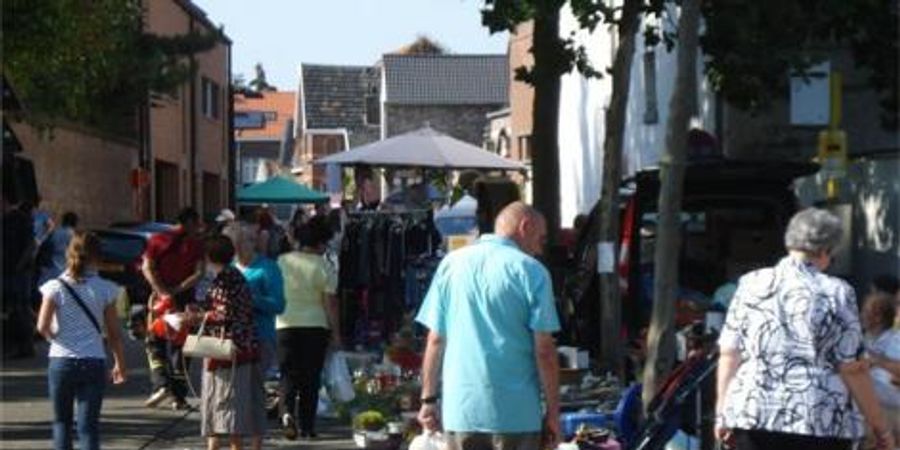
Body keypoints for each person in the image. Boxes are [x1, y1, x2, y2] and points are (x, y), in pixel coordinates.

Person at [715, 208, 895, 450]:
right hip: (820, 418)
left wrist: (722, 413)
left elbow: (730, 353)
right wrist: (879, 426)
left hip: (753, 413)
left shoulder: (750, 284)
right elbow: (851, 367)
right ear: (825, 250)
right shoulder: (837, 292)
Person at [416, 201, 561, 450]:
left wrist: (428, 399)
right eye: (541, 239)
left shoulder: (451, 265)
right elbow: (544, 351)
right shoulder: (533, 272)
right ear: (525, 227)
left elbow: (436, 339)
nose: (539, 249)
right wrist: (553, 414)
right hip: (517, 414)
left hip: (461, 411)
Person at [36, 231, 127, 450]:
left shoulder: (54, 287)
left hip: (61, 361)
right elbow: (114, 333)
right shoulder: (105, 289)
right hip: (93, 361)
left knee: (61, 423)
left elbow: (41, 326)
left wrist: (54, 338)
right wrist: (120, 364)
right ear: (97, 257)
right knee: (88, 427)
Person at [186, 235, 266, 450]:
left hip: (227, 352)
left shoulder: (224, 278)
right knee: (231, 407)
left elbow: (223, 314)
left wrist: (198, 317)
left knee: (227, 408)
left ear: (209, 257)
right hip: (243, 347)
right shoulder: (233, 275)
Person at [276, 215, 341, 440]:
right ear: (321, 243)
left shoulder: (282, 261)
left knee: (287, 374)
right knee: (310, 378)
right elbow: (330, 304)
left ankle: (286, 414)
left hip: (284, 324)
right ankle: (307, 426)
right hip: (315, 326)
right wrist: (336, 334)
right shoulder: (324, 266)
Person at [142, 207, 205, 409]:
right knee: (182, 347)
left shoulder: (157, 239)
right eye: (196, 223)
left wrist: (161, 291)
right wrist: (178, 289)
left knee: (155, 341)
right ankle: (178, 396)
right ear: (187, 221)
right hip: (184, 300)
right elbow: (200, 273)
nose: (198, 227)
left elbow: (147, 267)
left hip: (160, 298)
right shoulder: (195, 244)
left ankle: (161, 384)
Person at [229, 223, 285, 377]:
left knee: (254, 387)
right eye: (235, 244)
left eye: (243, 242)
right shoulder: (229, 267)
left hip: (260, 337)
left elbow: (279, 305)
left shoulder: (268, 268)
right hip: (232, 337)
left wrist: (251, 299)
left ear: (253, 243)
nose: (238, 249)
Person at [861, 293, 900, 446]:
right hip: (871, 409)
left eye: (865, 311)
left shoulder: (895, 340)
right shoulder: (866, 338)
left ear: (877, 317)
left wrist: (875, 361)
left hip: (891, 412)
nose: (861, 315)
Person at [2, 195, 36, 359]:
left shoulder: (20, 219)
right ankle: (14, 345)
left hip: (19, 273)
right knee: (10, 309)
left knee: (19, 308)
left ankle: (24, 345)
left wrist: (20, 266)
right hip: (6, 271)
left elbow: (30, 245)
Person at [38, 212, 78, 285]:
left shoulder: (54, 233)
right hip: (67, 273)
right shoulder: (76, 237)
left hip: (49, 271)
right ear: (75, 223)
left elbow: (43, 248)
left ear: (63, 221)